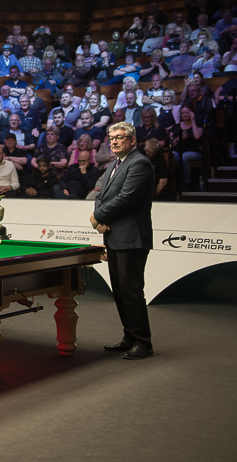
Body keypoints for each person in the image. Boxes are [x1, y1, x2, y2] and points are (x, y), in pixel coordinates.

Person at [90, 121, 155, 360]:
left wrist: (98, 216)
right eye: (112, 138)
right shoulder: (114, 164)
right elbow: (101, 195)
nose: (114, 141)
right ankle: (129, 336)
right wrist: (100, 216)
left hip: (132, 238)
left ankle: (143, 342)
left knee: (131, 290)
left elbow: (126, 198)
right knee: (119, 290)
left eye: (120, 137)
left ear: (132, 140)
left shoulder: (140, 163)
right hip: (115, 236)